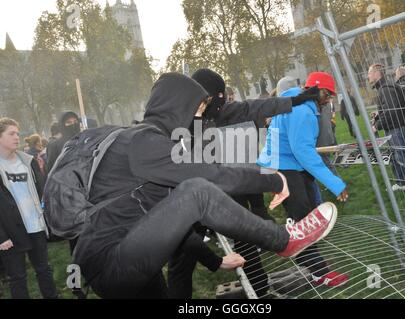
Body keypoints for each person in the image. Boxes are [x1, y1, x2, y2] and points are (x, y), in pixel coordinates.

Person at [72, 73, 338, 299]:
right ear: (178, 107)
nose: (200, 118)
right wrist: (273, 179)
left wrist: (216, 261)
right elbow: (209, 179)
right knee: (197, 190)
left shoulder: (153, 142)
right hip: (109, 260)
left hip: (128, 253)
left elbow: (174, 222)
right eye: (198, 111)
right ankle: (285, 240)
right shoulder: (146, 144)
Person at [167, 70, 321, 299]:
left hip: (217, 189)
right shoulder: (179, 122)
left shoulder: (218, 112)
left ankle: (258, 290)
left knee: (244, 235)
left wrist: (295, 100)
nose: (222, 104)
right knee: (183, 260)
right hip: (183, 199)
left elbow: (255, 107)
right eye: (216, 98)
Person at [258, 72, 350, 287]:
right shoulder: (303, 111)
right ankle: (319, 273)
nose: (328, 99)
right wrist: (336, 183)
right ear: (315, 89)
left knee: (304, 215)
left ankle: (310, 262)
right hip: (283, 167)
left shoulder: (296, 101)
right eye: (327, 94)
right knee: (302, 221)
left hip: (282, 164)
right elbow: (304, 152)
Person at [0, 118, 58, 299]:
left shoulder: (28, 162)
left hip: (35, 226)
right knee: (17, 278)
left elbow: (41, 192)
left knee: (44, 270)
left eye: (17, 133)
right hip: (10, 232)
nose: (17, 137)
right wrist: (1, 236)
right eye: (11, 133)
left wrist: (44, 215)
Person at [368, 64, 405, 198]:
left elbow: (391, 111)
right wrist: (378, 113)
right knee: (394, 156)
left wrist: (377, 125)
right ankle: (401, 182)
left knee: (401, 156)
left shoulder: (385, 88)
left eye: (369, 73)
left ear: (377, 73)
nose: (368, 76)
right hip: (394, 126)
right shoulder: (385, 87)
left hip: (396, 127)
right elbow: (390, 107)